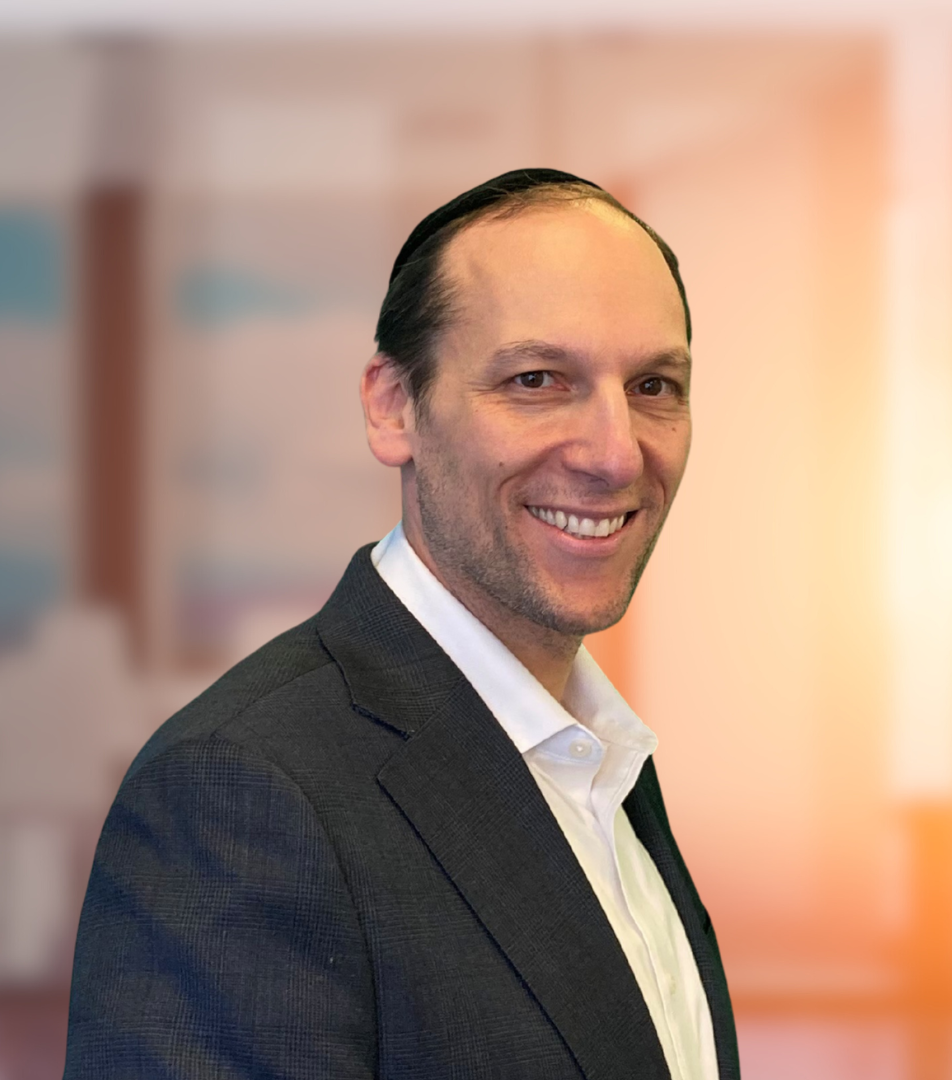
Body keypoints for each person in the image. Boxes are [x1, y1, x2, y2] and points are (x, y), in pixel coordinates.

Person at [63, 169, 739, 1080]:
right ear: (392, 407)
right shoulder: (240, 796)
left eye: (654, 385)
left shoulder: (601, 766)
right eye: (537, 380)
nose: (617, 454)